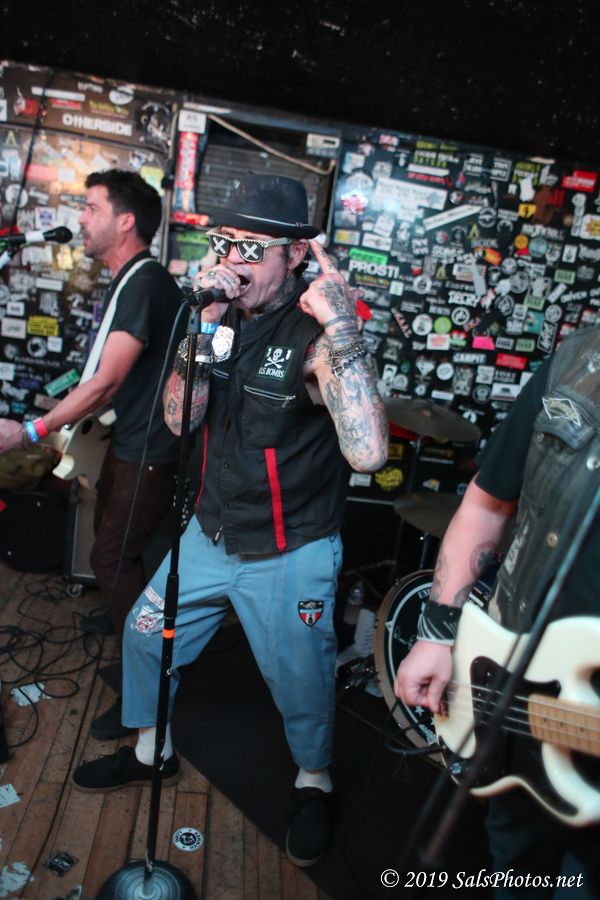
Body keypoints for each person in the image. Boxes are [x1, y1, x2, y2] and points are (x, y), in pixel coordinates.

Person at [71, 172, 389, 868]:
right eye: (224, 243)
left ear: (295, 255)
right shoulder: (217, 321)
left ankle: (313, 781)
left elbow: (368, 451)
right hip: (211, 531)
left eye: (252, 248)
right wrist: (204, 327)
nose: (232, 261)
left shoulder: (314, 331)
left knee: (300, 680)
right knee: (145, 635)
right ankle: (152, 752)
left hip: (289, 545)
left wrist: (341, 325)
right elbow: (179, 419)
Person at [394, 326, 600, 898]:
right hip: (516, 701)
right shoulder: (579, 358)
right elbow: (488, 504)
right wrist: (437, 634)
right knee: (514, 870)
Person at [0, 169, 184, 741]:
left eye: (91, 207)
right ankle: (127, 629)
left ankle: (143, 693)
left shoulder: (145, 282)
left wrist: (30, 432)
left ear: (125, 221)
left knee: (111, 558)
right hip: (130, 441)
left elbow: (106, 382)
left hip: (151, 448)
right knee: (112, 549)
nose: (80, 218)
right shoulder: (132, 278)